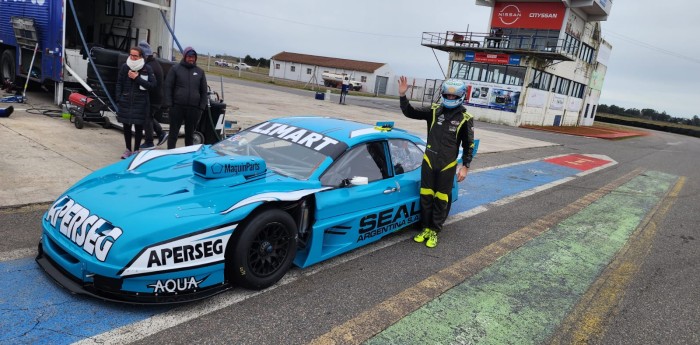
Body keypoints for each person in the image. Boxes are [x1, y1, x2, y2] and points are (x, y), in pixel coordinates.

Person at [397, 76, 475, 248]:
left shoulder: (465, 118)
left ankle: (434, 230)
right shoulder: (433, 111)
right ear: (442, 94)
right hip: (429, 161)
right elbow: (410, 112)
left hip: (447, 165)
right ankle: (425, 228)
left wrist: (465, 167)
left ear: (461, 96)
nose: (451, 98)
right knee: (426, 196)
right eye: (448, 95)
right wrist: (403, 95)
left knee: (441, 199)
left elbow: (468, 144)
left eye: (454, 96)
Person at [115, 46, 156, 159]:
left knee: (138, 127)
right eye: (131, 55)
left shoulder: (146, 68)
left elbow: (152, 86)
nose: (132, 57)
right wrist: (119, 98)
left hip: (141, 102)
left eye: (135, 56)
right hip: (126, 101)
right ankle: (128, 149)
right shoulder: (125, 67)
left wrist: (137, 78)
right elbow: (119, 83)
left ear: (141, 57)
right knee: (126, 126)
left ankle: (136, 150)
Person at [164, 46, 208, 149]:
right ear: (184, 57)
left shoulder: (200, 72)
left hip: (193, 109)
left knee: (189, 135)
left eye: (193, 57)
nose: (191, 59)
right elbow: (168, 86)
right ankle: (170, 153)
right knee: (173, 133)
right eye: (189, 57)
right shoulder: (175, 69)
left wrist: (201, 107)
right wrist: (169, 104)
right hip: (177, 107)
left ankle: (188, 155)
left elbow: (204, 91)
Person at [137, 40, 168, 149]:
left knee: (147, 118)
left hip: (153, 98)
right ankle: (161, 133)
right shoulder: (153, 63)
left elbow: (147, 84)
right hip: (156, 96)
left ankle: (149, 141)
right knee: (148, 116)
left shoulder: (150, 66)